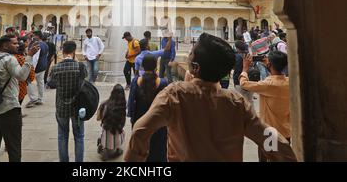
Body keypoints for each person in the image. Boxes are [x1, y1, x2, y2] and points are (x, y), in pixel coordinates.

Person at [124, 33, 296, 162]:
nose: (189, 55)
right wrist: (283, 156)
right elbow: (268, 137)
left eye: (191, 53)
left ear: (195, 67)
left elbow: (140, 131)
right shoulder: (236, 103)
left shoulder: (175, 96)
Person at [0, 35, 39, 162]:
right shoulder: (9, 59)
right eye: (14, 43)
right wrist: (30, 56)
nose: (17, 45)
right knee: (14, 148)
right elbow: (22, 76)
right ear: (5, 46)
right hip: (8, 109)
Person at [240, 51, 291, 162]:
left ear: (270, 65)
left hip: (270, 133)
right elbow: (276, 78)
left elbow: (243, 83)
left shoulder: (267, 85)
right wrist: (270, 65)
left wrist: (245, 69)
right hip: (286, 131)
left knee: (267, 159)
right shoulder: (289, 82)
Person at [48, 41, 87, 162]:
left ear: (63, 51)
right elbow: (85, 81)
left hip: (61, 107)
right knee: (79, 137)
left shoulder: (56, 68)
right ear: (74, 51)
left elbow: (50, 84)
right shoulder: (80, 67)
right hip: (77, 108)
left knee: (62, 136)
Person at [127, 54, 168, 162]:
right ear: (156, 67)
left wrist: (133, 121)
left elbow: (131, 105)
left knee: (140, 152)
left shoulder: (136, 81)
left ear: (142, 66)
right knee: (158, 152)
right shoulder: (163, 83)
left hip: (140, 122)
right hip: (158, 124)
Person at [96, 84, 126, 161]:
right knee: (120, 132)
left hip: (106, 132)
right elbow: (123, 122)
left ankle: (103, 149)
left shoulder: (105, 104)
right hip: (118, 133)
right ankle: (116, 150)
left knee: (106, 135)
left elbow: (98, 118)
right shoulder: (123, 106)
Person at [26, 31, 49, 108]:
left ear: (38, 36)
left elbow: (35, 57)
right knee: (40, 82)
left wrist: (32, 67)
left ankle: (33, 98)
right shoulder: (45, 44)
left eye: (34, 35)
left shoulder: (37, 45)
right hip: (43, 66)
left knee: (28, 81)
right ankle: (40, 98)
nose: (33, 36)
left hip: (37, 67)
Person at [232, 40, 254, 106]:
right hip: (250, 80)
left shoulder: (238, 57)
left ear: (237, 48)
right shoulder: (249, 55)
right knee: (250, 100)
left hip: (240, 81)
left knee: (242, 101)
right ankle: (252, 114)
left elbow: (236, 69)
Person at [15, 39, 36, 108]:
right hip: (21, 86)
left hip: (10, 88)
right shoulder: (24, 59)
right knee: (18, 103)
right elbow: (32, 75)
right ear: (23, 50)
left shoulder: (11, 58)